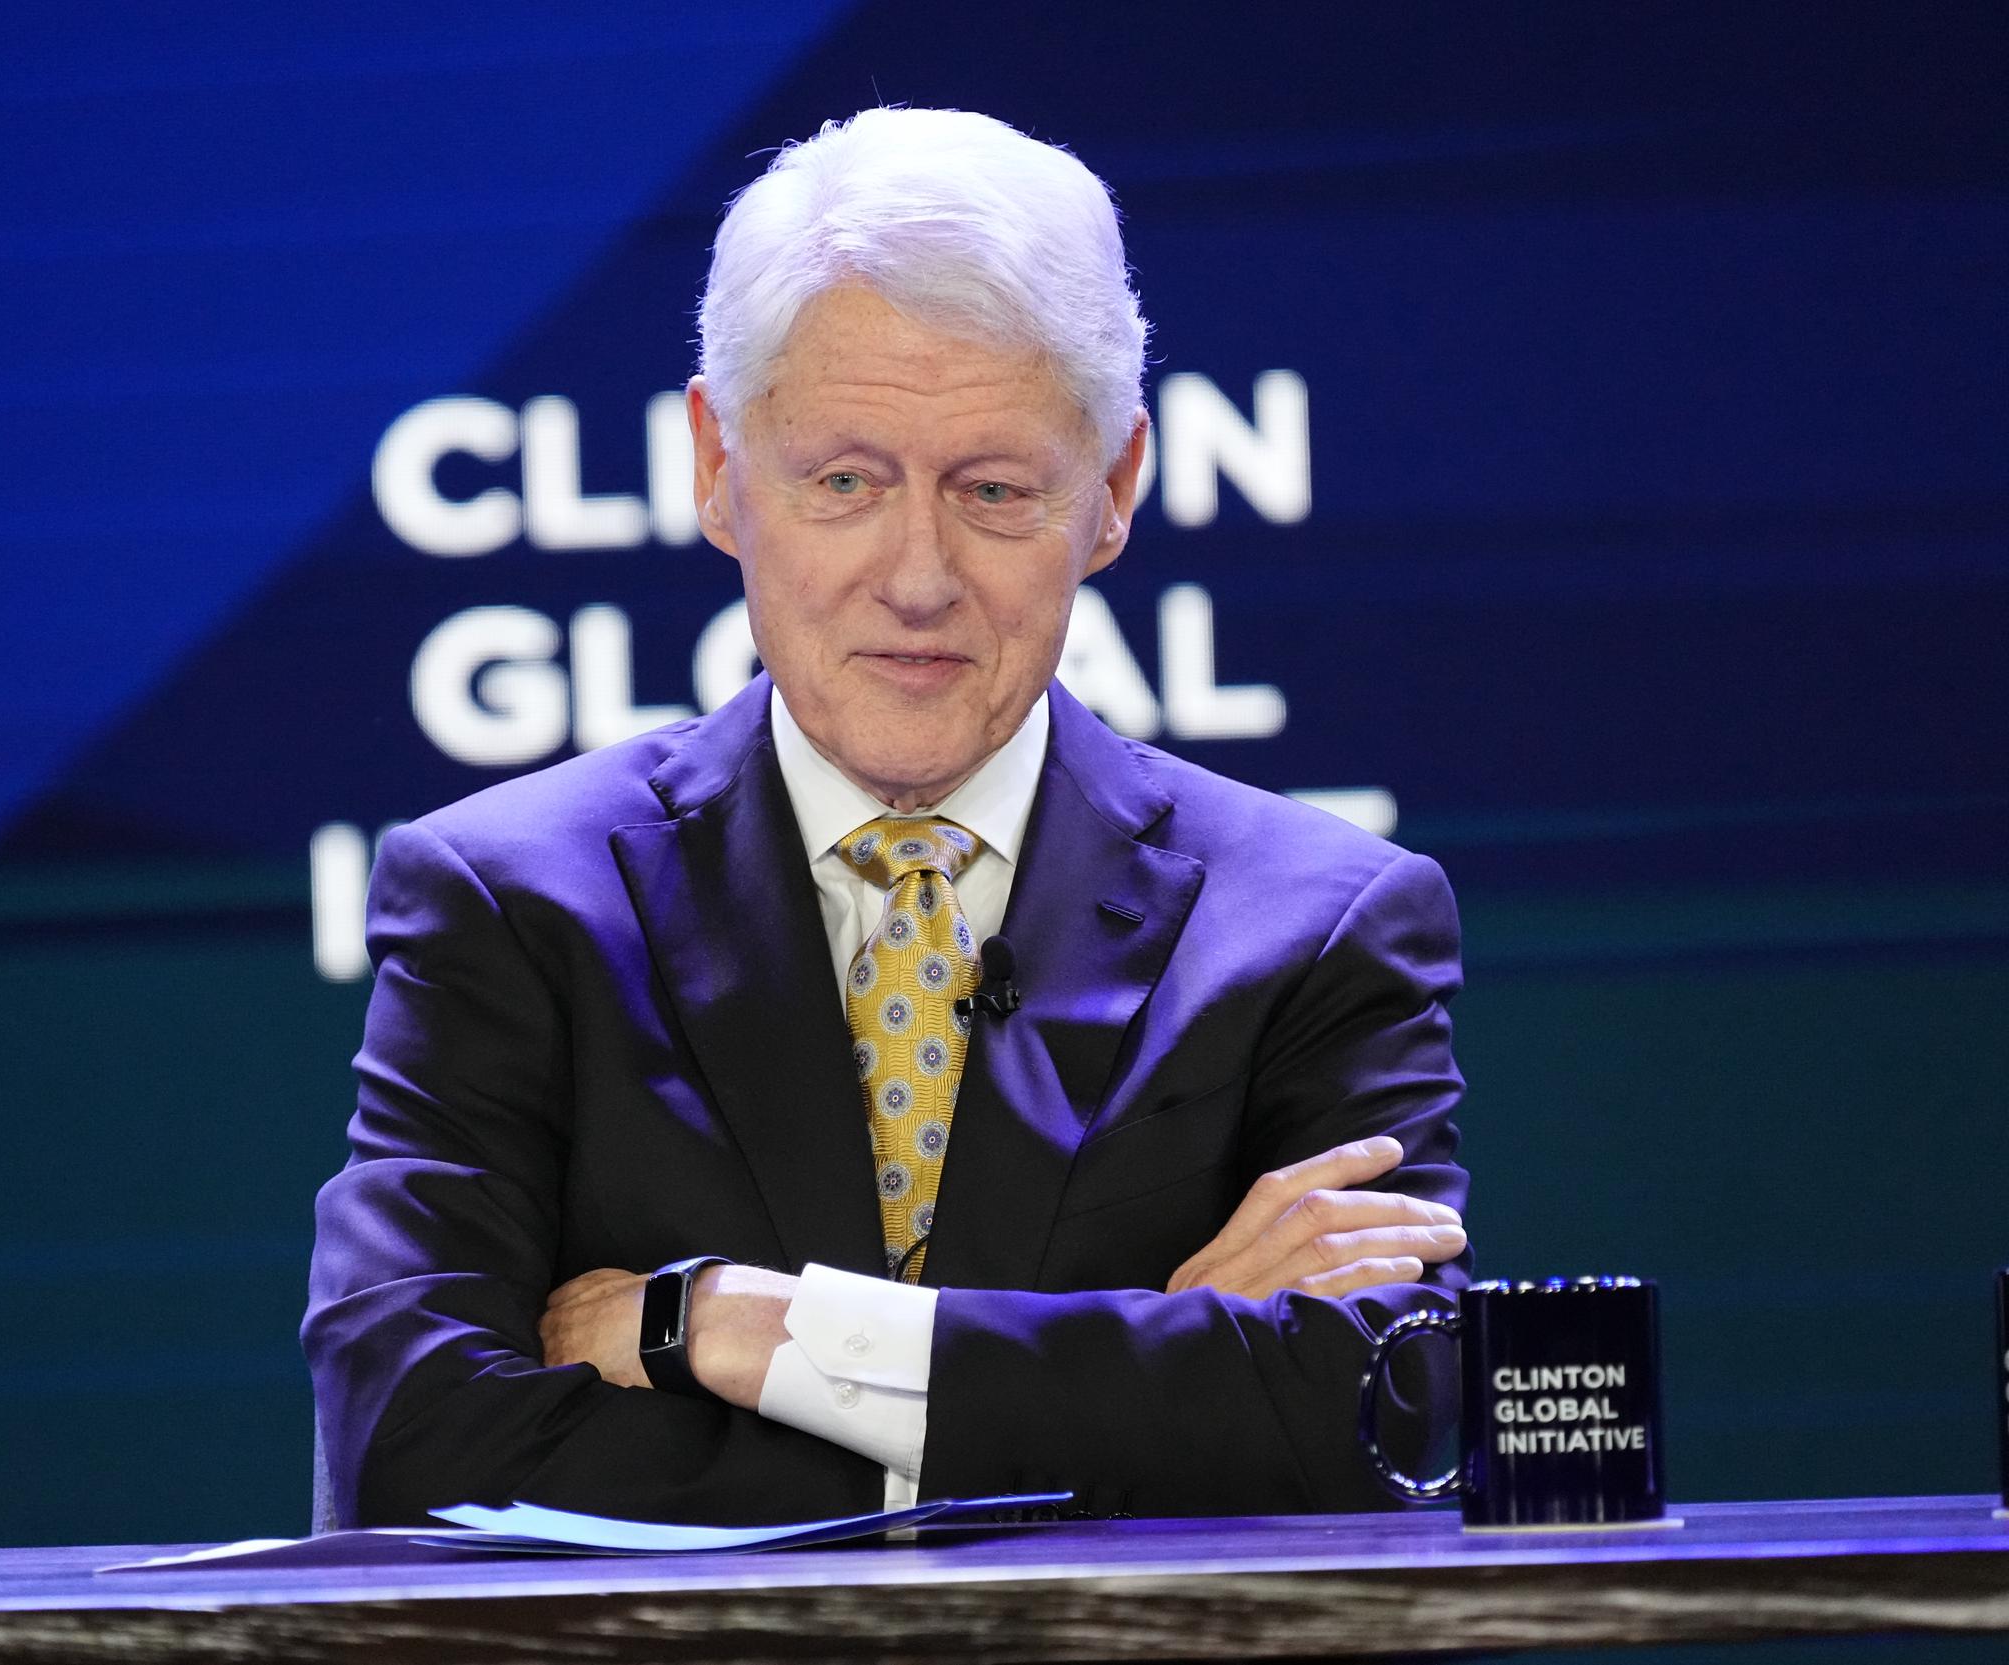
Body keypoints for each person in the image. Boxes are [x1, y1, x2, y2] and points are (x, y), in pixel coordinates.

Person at [304, 107, 1469, 1529]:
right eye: (847, 480)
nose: (916, 577)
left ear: (1111, 492)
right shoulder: (505, 904)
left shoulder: (1320, 926)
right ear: (718, 467)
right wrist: (1157, 1378)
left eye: (994, 490)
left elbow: (1396, 1424)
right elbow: (409, 1453)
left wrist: (735, 1329)